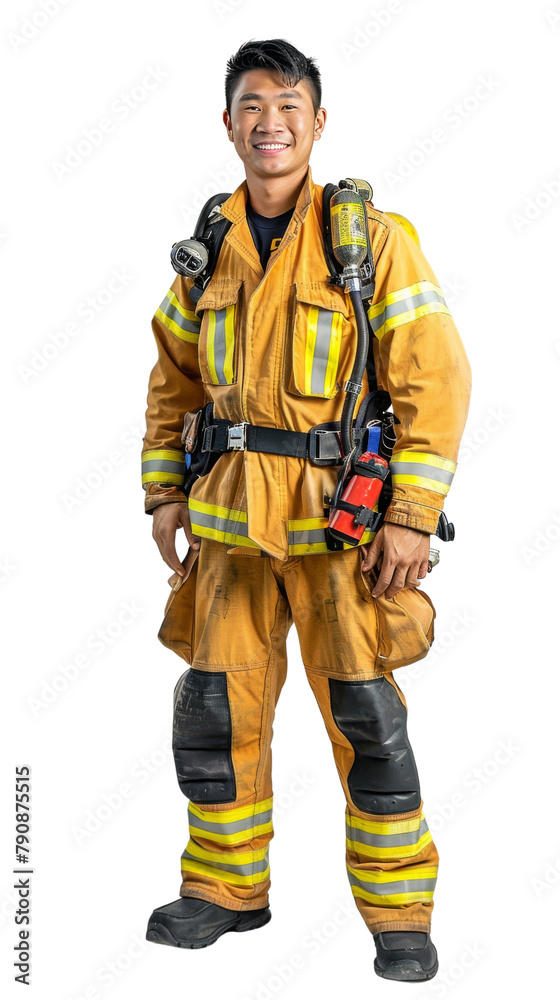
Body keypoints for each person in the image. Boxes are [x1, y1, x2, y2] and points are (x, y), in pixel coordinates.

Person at [141, 38, 471, 982]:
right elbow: (172, 380)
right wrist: (166, 492)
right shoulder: (208, 253)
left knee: (367, 721)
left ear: (317, 124)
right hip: (227, 527)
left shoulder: (371, 242)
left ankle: (400, 912)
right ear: (229, 123)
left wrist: (411, 513)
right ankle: (222, 888)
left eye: (289, 106)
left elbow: (436, 380)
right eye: (252, 105)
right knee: (214, 714)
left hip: (341, 531)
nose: (270, 122)